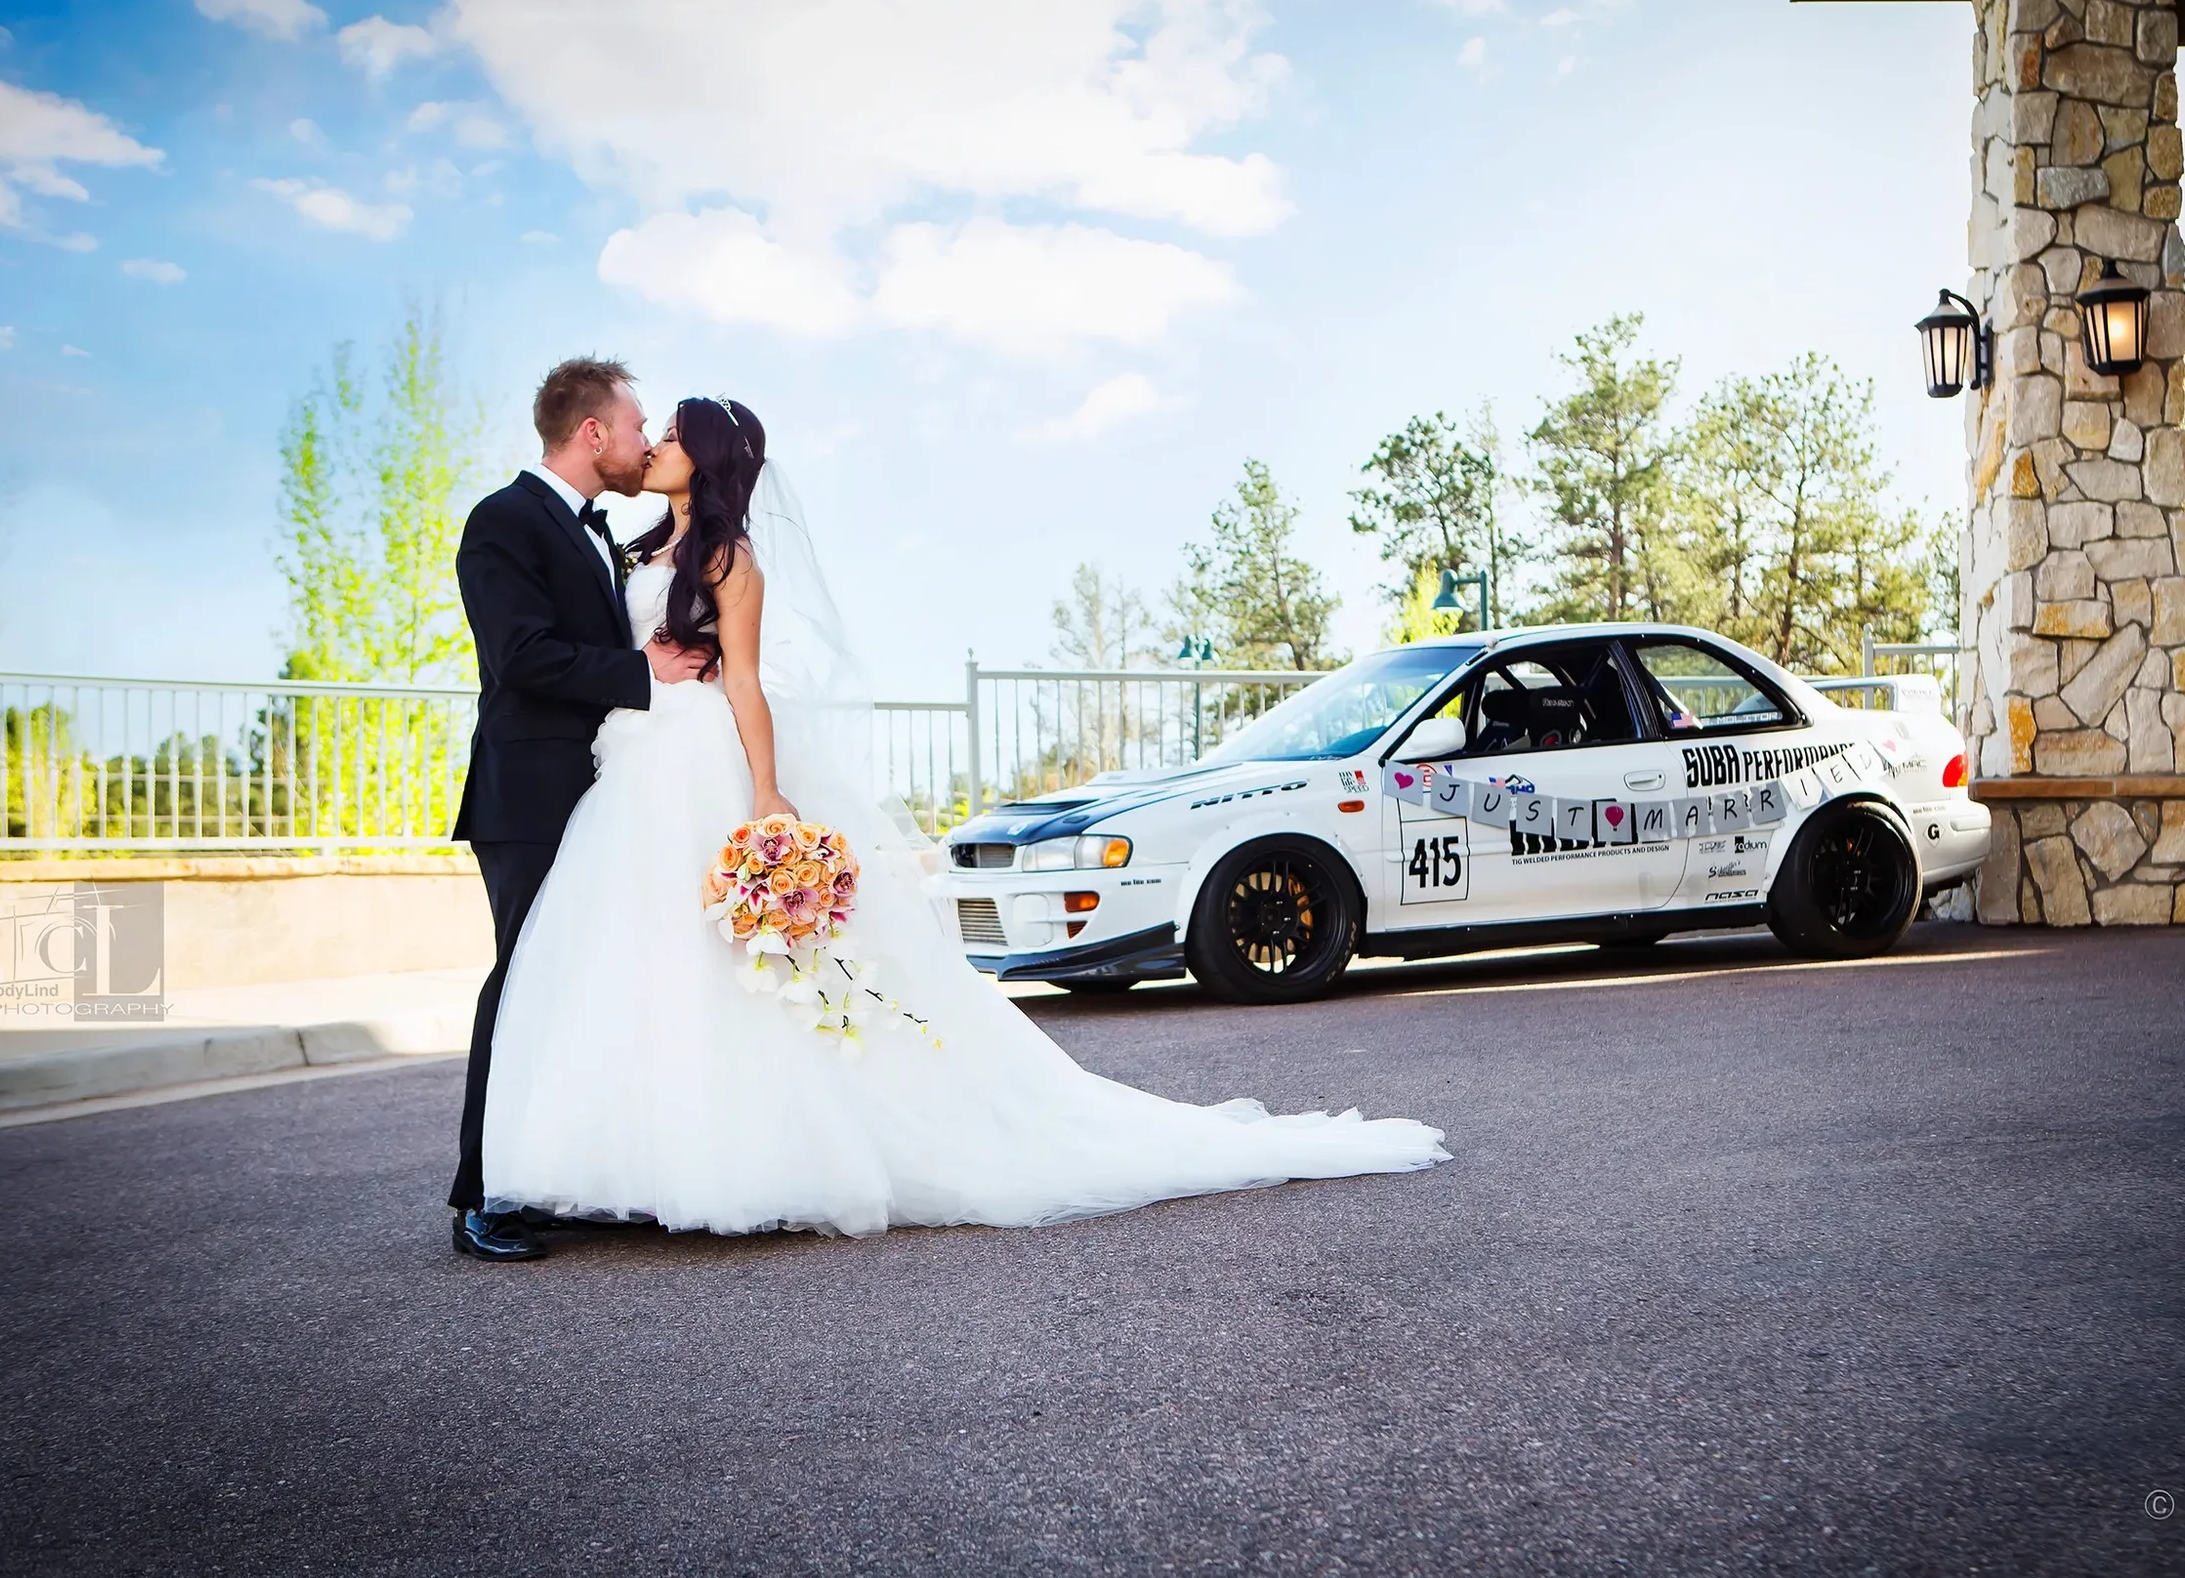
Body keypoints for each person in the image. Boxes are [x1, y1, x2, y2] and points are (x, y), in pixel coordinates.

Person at [468, 394, 1448, 1249]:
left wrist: (766, 792)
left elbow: (749, 683)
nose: (656, 446)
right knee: (648, 966)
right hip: (634, 770)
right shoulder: (638, 544)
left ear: (709, 459)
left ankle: (751, 1155)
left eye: (674, 435)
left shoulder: (731, 558)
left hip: (702, 763)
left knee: (736, 972)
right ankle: (639, 1157)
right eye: (655, 431)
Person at [447, 358, 715, 1261]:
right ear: (592, 432)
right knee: (520, 982)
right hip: (525, 794)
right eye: (638, 425)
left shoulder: (604, 535)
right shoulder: (503, 521)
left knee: (577, 982)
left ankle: (548, 1171)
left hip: (600, 790)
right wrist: (645, 674)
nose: (646, 442)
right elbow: (520, 655)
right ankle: (482, 1197)